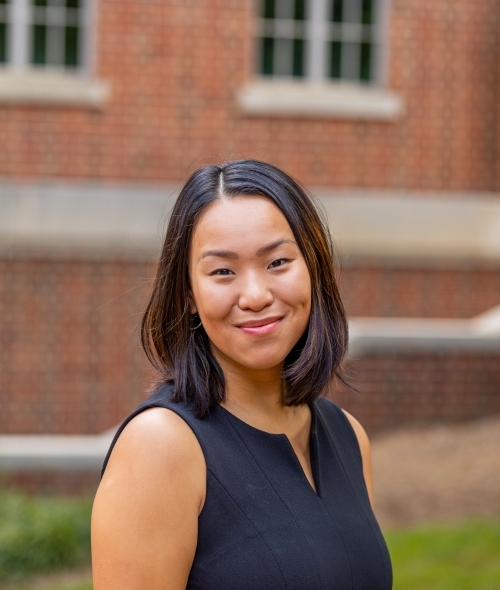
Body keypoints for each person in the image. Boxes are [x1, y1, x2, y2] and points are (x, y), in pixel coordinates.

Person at [91, 159, 393, 590]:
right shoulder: (160, 447)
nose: (254, 295)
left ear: (313, 270)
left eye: (277, 262)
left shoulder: (348, 436)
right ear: (189, 295)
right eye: (222, 272)